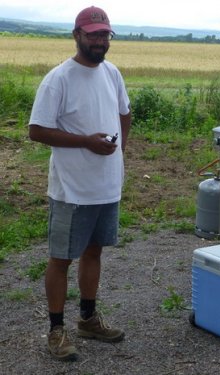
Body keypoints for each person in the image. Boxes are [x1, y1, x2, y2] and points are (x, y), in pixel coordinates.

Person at [28, 6, 132, 361]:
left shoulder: (113, 73)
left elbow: (124, 113)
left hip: (106, 185)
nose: (100, 41)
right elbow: (36, 130)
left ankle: (88, 319)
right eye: (93, 35)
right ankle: (56, 331)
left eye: (105, 35)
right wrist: (86, 141)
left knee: (94, 251)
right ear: (77, 35)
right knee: (61, 259)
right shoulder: (59, 78)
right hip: (72, 189)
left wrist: (119, 154)